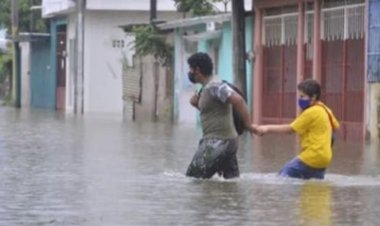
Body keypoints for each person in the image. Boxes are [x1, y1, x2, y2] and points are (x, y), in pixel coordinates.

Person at [185, 52, 258, 179]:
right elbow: (213, 112)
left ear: (197, 70)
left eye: (191, 69)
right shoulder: (206, 88)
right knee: (230, 183)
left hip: (218, 142)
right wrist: (196, 104)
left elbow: (238, 100)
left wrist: (248, 125)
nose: (189, 72)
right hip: (226, 142)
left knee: (193, 178)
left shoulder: (215, 86)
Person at [256, 79, 339, 180]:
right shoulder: (325, 109)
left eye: (302, 96)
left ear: (313, 97)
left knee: (282, 176)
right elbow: (335, 128)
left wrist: (267, 128)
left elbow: (290, 129)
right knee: (314, 189)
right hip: (325, 158)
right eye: (299, 96)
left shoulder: (311, 112)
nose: (300, 99)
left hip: (312, 155)